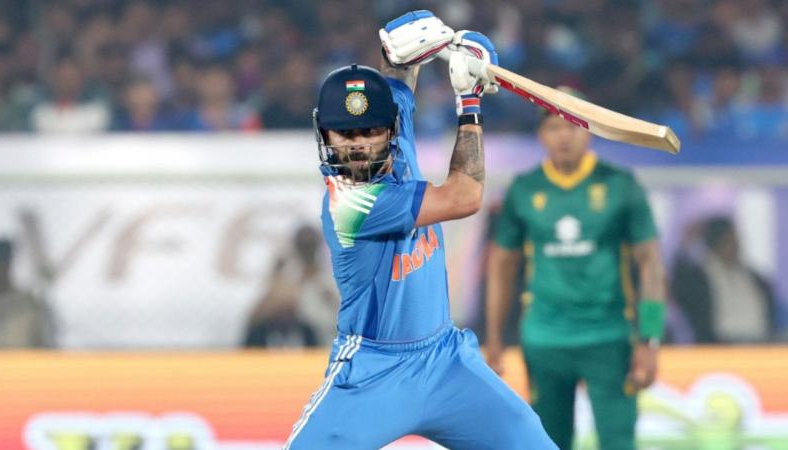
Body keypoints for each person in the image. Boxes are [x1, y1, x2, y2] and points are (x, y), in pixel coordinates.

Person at [284, 10, 555, 450]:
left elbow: (397, 77)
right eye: (344, 134)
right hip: (374, 372)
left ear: (392, 128)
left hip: (446, 360)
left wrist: (408, 47)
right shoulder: (349, 203)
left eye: (369, 131)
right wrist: (469, 98)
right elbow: (464, 197)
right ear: (325, 136)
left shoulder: (399, 128)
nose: (358, 145)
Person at [485, 90, 667, 450]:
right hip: (545, 339)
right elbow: (502, 266)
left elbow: (650, 264)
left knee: (618, 442)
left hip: (609, 337)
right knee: (549, 443)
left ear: (589, 130)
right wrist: (493, 339)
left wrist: (650, 338)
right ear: (540, 135)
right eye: (553, 127)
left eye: (572, 125)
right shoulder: (524, 189)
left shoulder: (619, 184)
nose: (563, 136)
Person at [672, 216, 777, 343]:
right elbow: (678, 288)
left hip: (761, 345)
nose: (736, 244)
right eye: (729, 239)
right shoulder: (697, 278)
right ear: (716, 241)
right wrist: (686, 244)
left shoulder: (755, 278)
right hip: (718, 346)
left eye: (736, 239)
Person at [0, 238, 51, 348]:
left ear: (9, 264)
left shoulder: (28, 303)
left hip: (23, 358)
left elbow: (42, 345)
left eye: (1, 263)